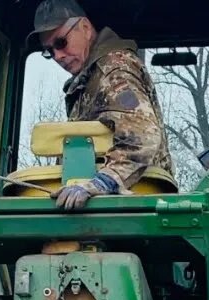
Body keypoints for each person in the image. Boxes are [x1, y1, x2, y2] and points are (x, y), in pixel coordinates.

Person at [30, 0, 175, 210]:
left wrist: (104, 181)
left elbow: (143, 135)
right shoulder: (89, 78)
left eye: (61, 43)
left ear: (86, 28)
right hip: (115, 207)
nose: (58, 56)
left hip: (139, 205)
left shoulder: (115, 72)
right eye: (49, 51)